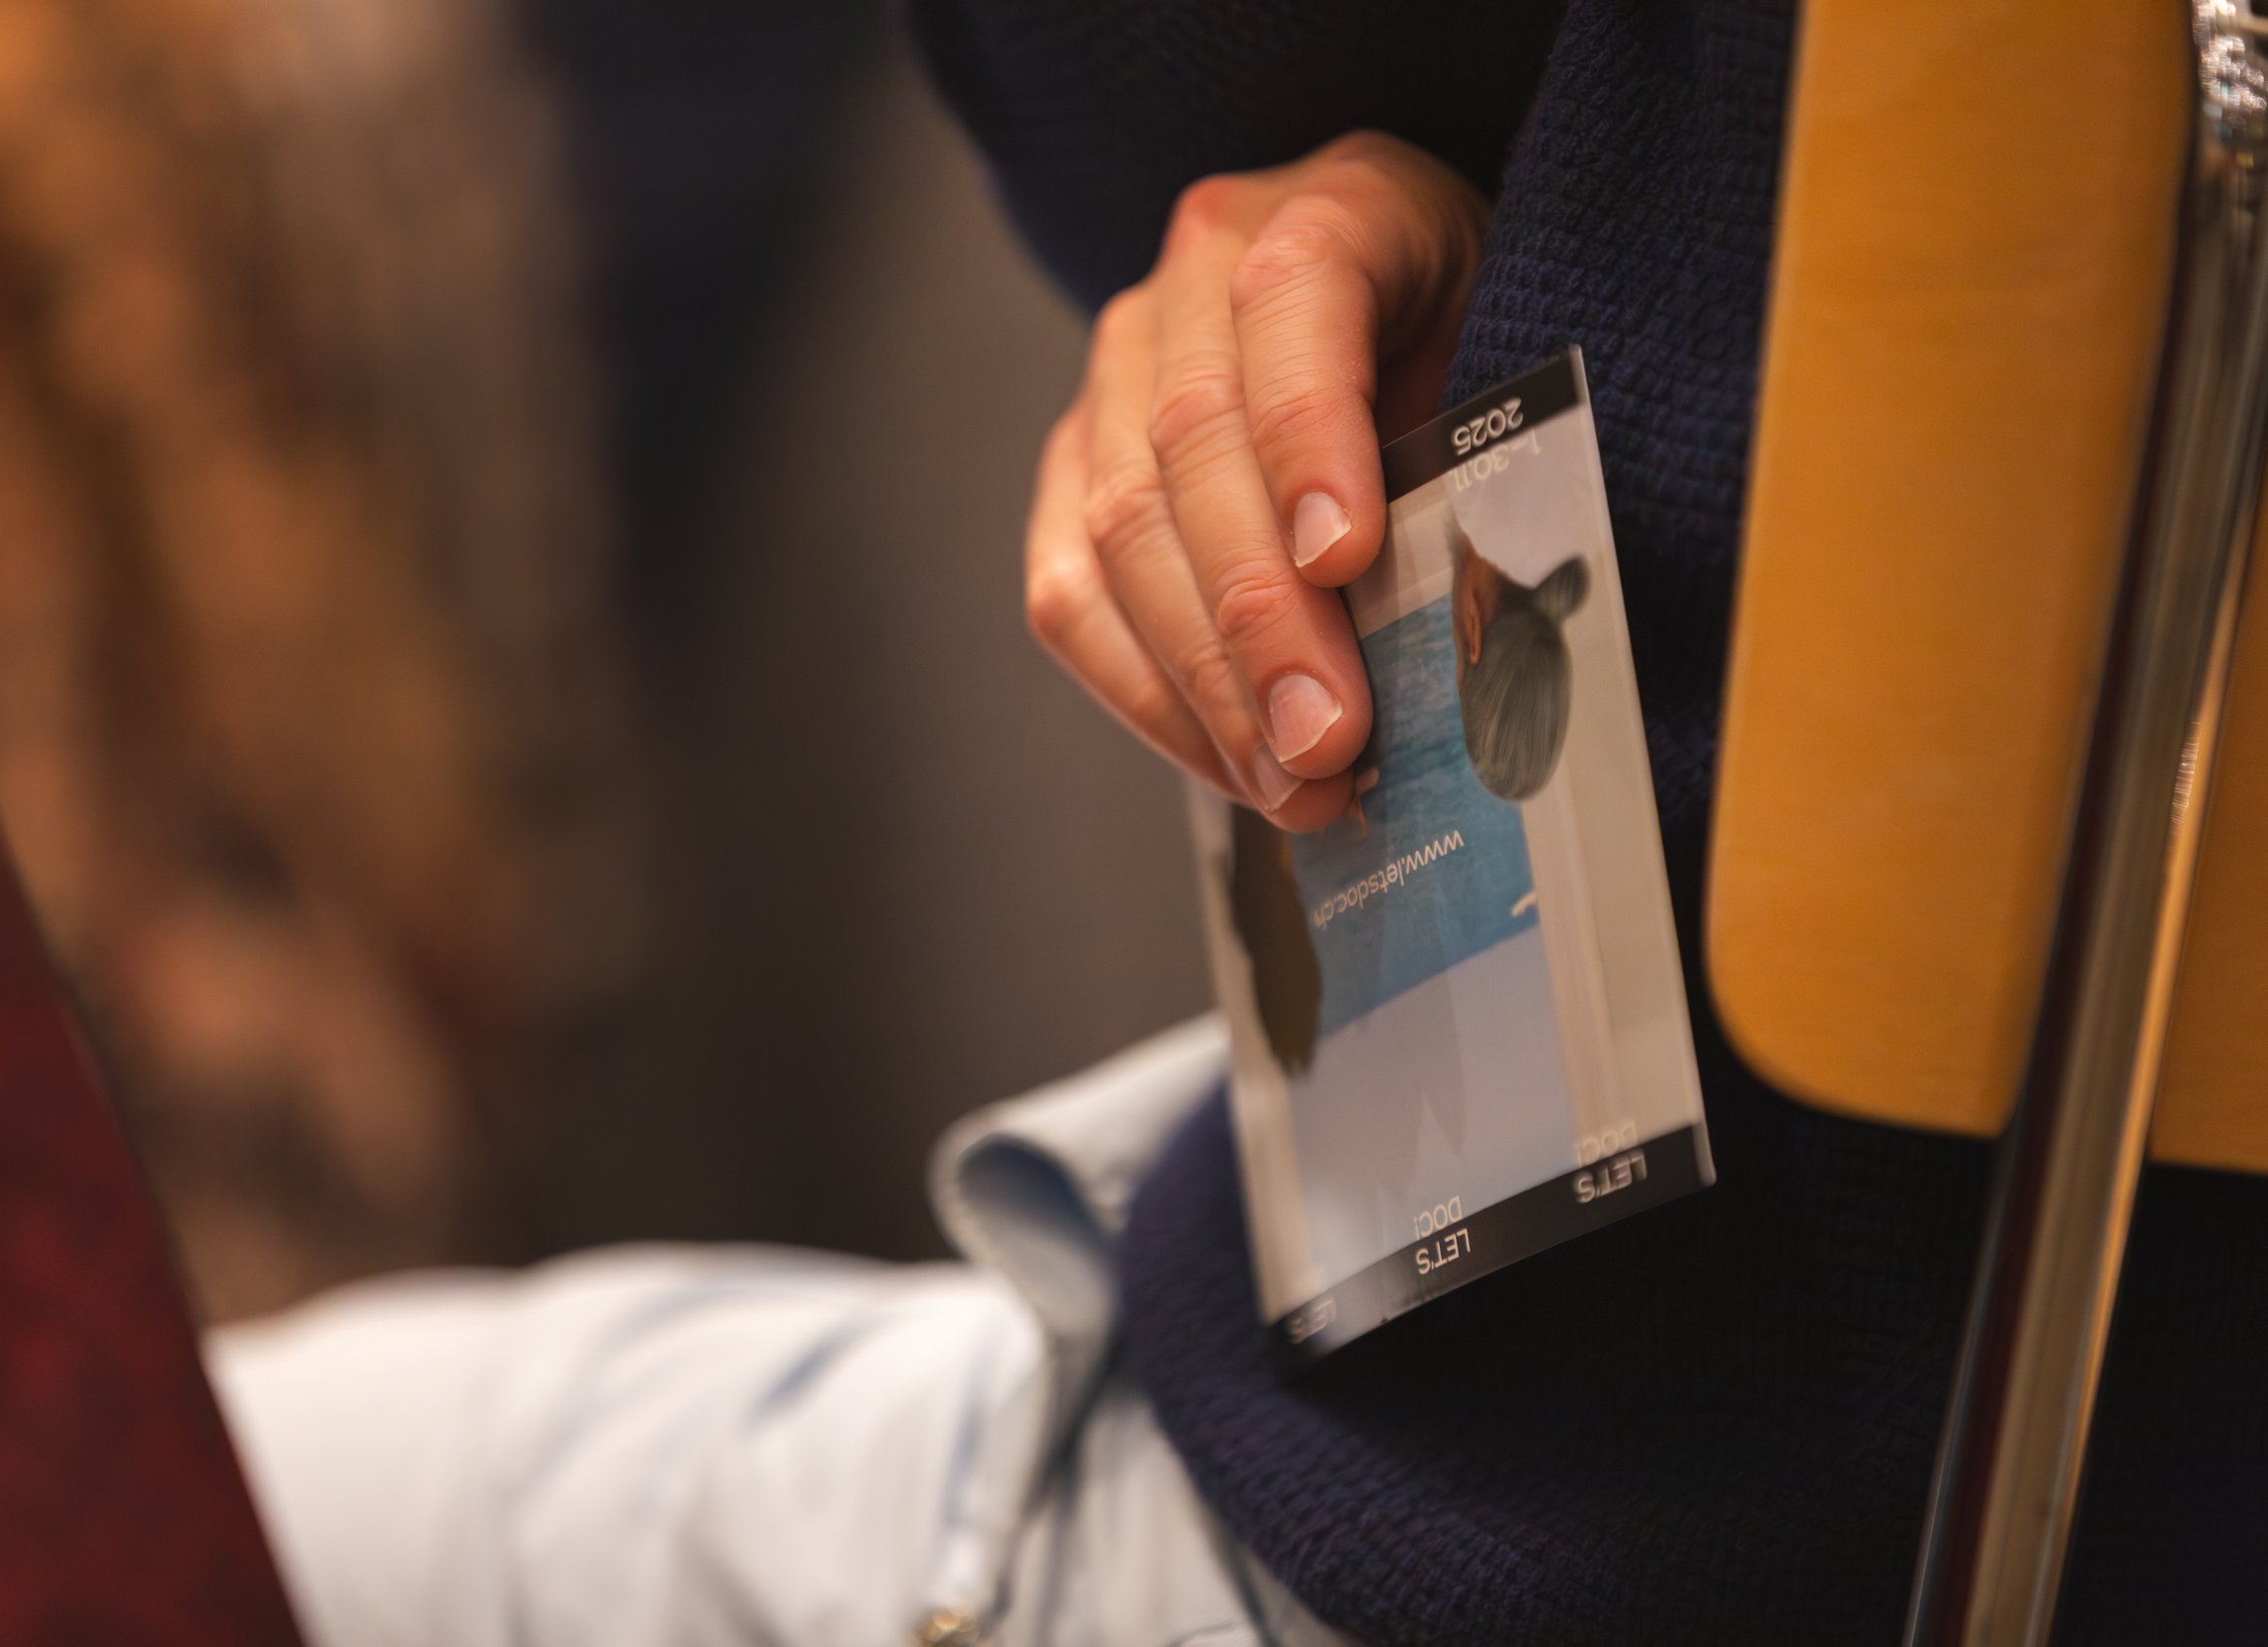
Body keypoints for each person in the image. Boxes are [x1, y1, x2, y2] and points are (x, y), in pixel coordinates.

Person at [211, 4, 2268, 1643]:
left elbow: (1167, 78)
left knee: (107, 1477)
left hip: (1663, 1496)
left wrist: (1488, 169)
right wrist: (1556, 208)